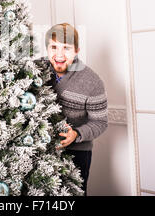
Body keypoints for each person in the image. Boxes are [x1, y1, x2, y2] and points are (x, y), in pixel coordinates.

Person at [42, 23, 108, 196]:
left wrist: (76, 134)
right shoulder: (36, 71)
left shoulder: (92, 81)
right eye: (54, 47)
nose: (59, 54)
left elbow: (100, 122)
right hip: (39, 150)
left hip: (76, 153)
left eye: (66, 48)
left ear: (77, 50)